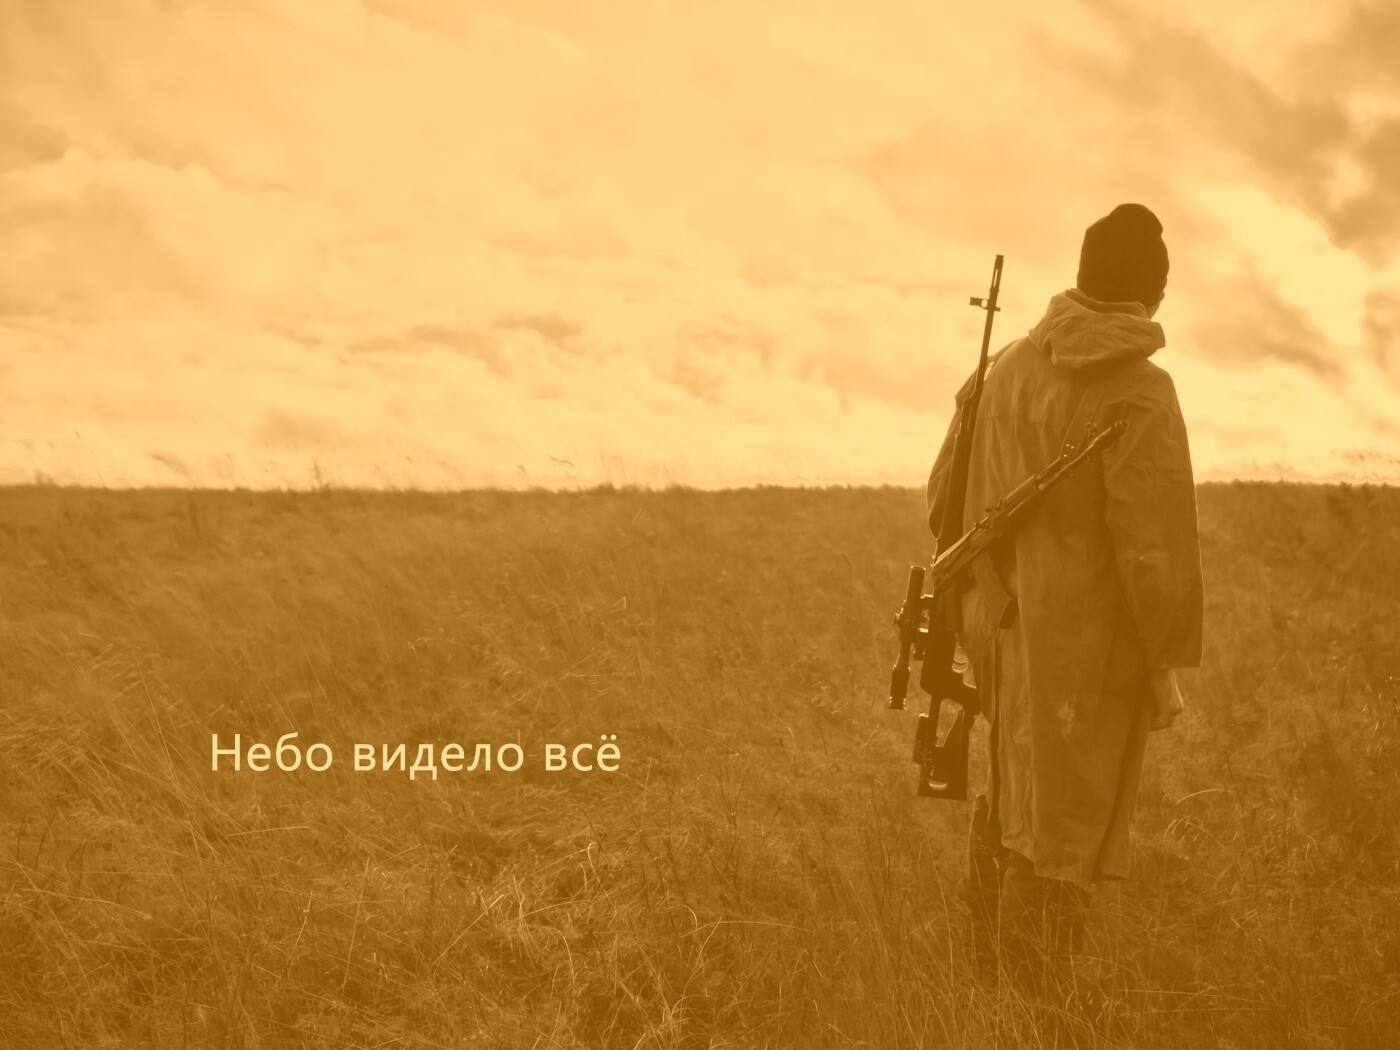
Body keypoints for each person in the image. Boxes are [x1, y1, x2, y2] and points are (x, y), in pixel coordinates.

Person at [925, 203, 1204, 994]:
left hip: (997, 631)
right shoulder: (1142, 392)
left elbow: (943, 502)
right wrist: (1164, 667)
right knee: (1064, 827)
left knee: (1009, 788)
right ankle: (1039, 1009)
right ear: (1152, 295)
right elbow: (1154, 550)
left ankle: (985, 986)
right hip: (1086, 653)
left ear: (1082, 276)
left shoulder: (1005, 365)